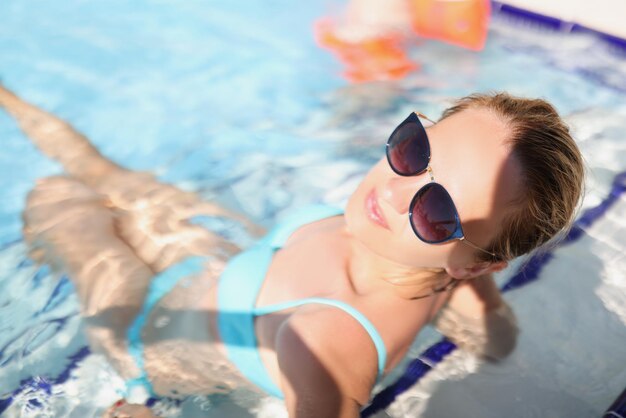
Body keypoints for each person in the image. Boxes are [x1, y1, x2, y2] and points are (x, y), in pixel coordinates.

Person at [0, 85, 584, 418]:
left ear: (479, 260)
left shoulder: (326, 340)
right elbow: (497, 339)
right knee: (106, 176)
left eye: (438, 210)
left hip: (150, 339)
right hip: (218, 269)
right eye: (413, 150)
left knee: (57, 199)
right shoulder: (444, 268)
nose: (391, 187)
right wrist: (483, 314)